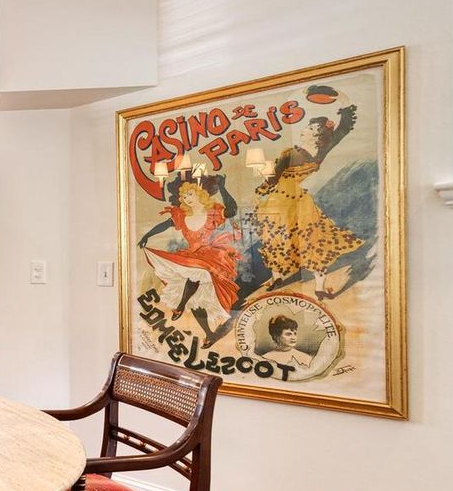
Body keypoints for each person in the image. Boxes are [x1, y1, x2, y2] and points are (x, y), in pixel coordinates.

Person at [254, 102, 362, 300]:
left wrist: (262, 181)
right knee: (307, 241)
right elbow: (343, 130)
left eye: (311, 128)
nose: (305, 130)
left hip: (281, 202)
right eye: (307, 127)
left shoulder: (290, 153)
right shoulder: (321, 153)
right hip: (296, 201)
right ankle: (305, 283)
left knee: (292, 241)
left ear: (318, 135)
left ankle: (286, 279)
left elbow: (272, 180)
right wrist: (345, 111)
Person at [139, 175, 240, 347]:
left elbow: (231, 210)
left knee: (198, 273)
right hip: (192, 256)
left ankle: (180, 305)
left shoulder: (212, 212)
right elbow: (163, 225)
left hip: (211, 256)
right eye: (184, 196)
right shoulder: (182, 215)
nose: (187, 199)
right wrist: (147, 236)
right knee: (196, 299)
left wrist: (222, 187)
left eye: (190, 194)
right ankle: (209, 334)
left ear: (200, 194)